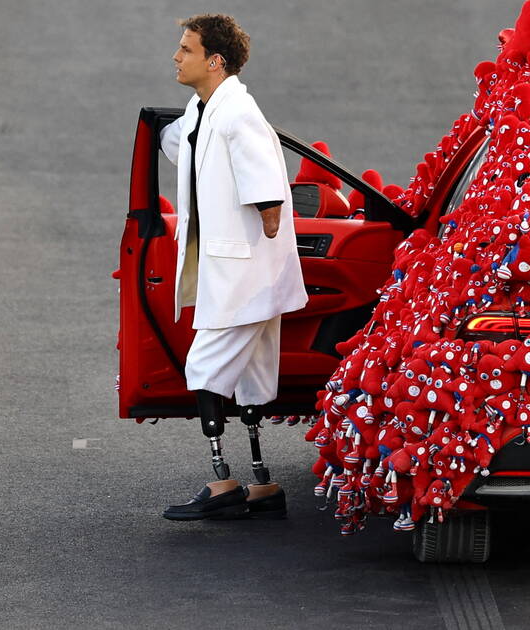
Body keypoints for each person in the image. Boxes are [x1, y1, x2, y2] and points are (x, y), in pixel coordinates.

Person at [157, 14, 307, 520]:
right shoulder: (205, 108)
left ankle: (222, 483)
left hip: (243, 277)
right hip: (246, 276)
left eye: (186, 49)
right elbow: (183, 143)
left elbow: (265, 186)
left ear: (214, 61)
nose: (177, 57)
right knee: (252, 378)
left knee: (204, 370)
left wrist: (267, 223)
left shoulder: (238, 112)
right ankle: (262, 486)